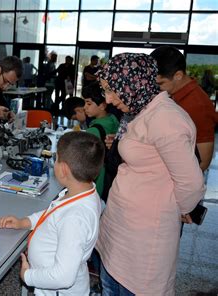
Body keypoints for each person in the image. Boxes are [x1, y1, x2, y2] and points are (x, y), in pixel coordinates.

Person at [96, 53, 205, 295]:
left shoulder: (167, 118)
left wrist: (172, 208)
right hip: (123, 230)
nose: (109, 99)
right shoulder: (143, 111)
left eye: (113, 90)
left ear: (135, 84)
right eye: (106, 91)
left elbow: (192, 184)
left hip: (143, 238)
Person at [0, 131, 104, 295]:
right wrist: (25, 222)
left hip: (56, 291)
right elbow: (53, 213)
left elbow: (63, 277)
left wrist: (28, 276)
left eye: (56, 158)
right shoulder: (82, 193)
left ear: (63, 169)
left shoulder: (75, 218)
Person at [151, 46, 216, 171]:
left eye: (160, 83)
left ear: (178, 75)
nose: (156, 88)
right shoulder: (173, 94)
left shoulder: (198, 106)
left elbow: (202, 162)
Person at [81, 81, 119, 198]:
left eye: (88, 103)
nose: (84, 107)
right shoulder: (113, 119)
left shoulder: (93, 131)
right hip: (112, 178)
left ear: (102, 105)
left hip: (98, 181)